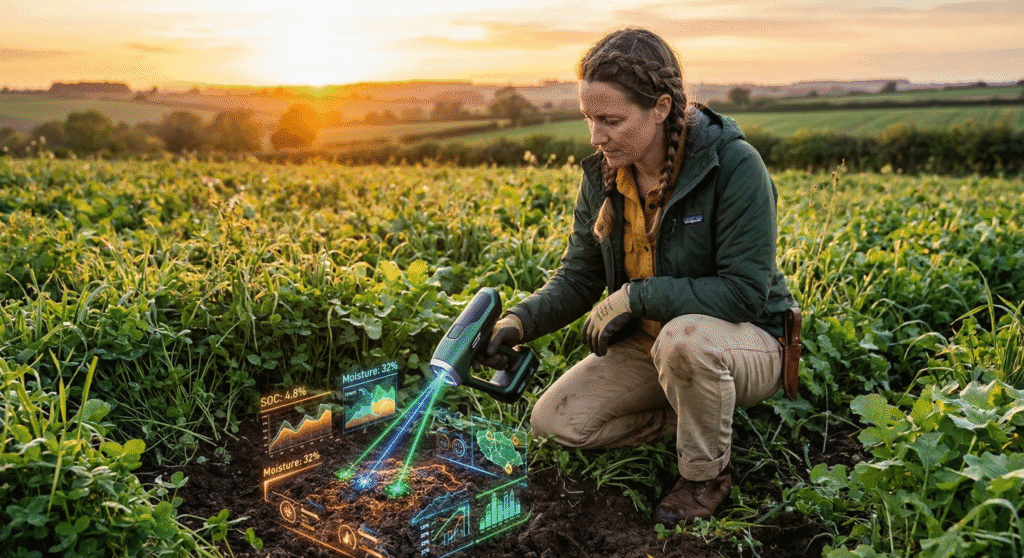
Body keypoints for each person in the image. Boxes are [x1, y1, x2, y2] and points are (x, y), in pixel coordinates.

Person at [476, 27, 798, 525]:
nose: (595, 136)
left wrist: (637, 297)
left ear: (662, 107)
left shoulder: (734, 166)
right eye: (588, 118)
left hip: (746, 342)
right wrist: (517, 323)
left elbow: (745, 295)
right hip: (651, 345)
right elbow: (579, 277)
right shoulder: (606, 173)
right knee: (554, 422)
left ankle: (703, 476)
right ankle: (701, 414)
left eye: (611, 120)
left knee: (684, 339)